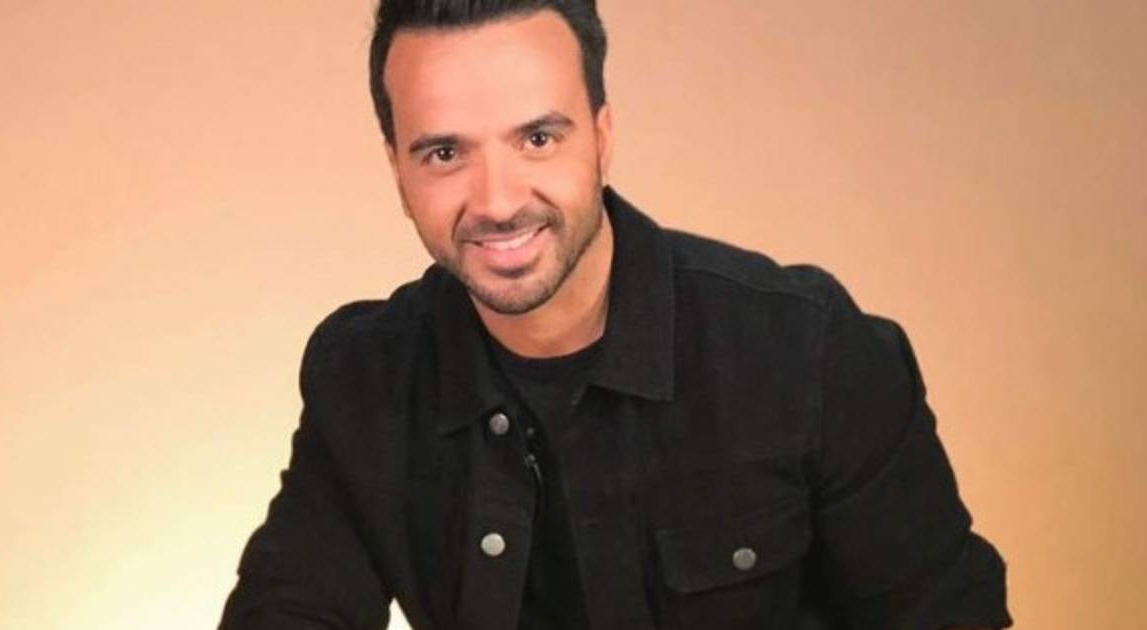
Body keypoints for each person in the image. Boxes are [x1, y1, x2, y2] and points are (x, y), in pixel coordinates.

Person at [219, 1, 1012, 628]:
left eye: (537, 137)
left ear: (602, 138)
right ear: (398, 171)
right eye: (445, 153)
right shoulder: (363, 379)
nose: (496, 201)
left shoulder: (806, 351)